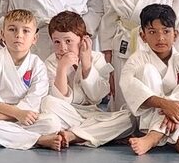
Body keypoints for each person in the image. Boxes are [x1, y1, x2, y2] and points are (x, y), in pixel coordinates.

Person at [0, 9, 62, 150]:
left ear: (35, 38)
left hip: (19, 116)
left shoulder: (37, 65)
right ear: (2, 34)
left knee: (53, 123)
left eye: (26, 31)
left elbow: (34, 101)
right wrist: (16, 114)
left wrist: (0, 116)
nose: (18, 35)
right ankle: (38, 140)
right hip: (4, 115)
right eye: (12, 29)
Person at [119, 4, 179, 156]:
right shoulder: (137, 59)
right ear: (143, 36)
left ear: (175, 34)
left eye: (166, 31)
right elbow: (127, 85)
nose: (160, 38)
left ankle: (154, 137)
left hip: (178, 119)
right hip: (146, 117)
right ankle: (172, 139)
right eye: (152, 32)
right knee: (148, 71)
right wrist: (165, 104)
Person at [41, 11, 133, 148]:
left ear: (83, 40)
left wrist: (86, 64)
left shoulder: (97, 58)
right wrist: (62, 68)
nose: (62, 48)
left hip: (91, 114)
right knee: (48, 103)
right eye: (57, 42)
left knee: (129, 118)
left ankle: (73, 135)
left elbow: (96, 97)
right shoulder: (50, 63)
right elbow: (60, 101)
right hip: (66, 113)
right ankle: (95, 132)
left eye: (68, 41)